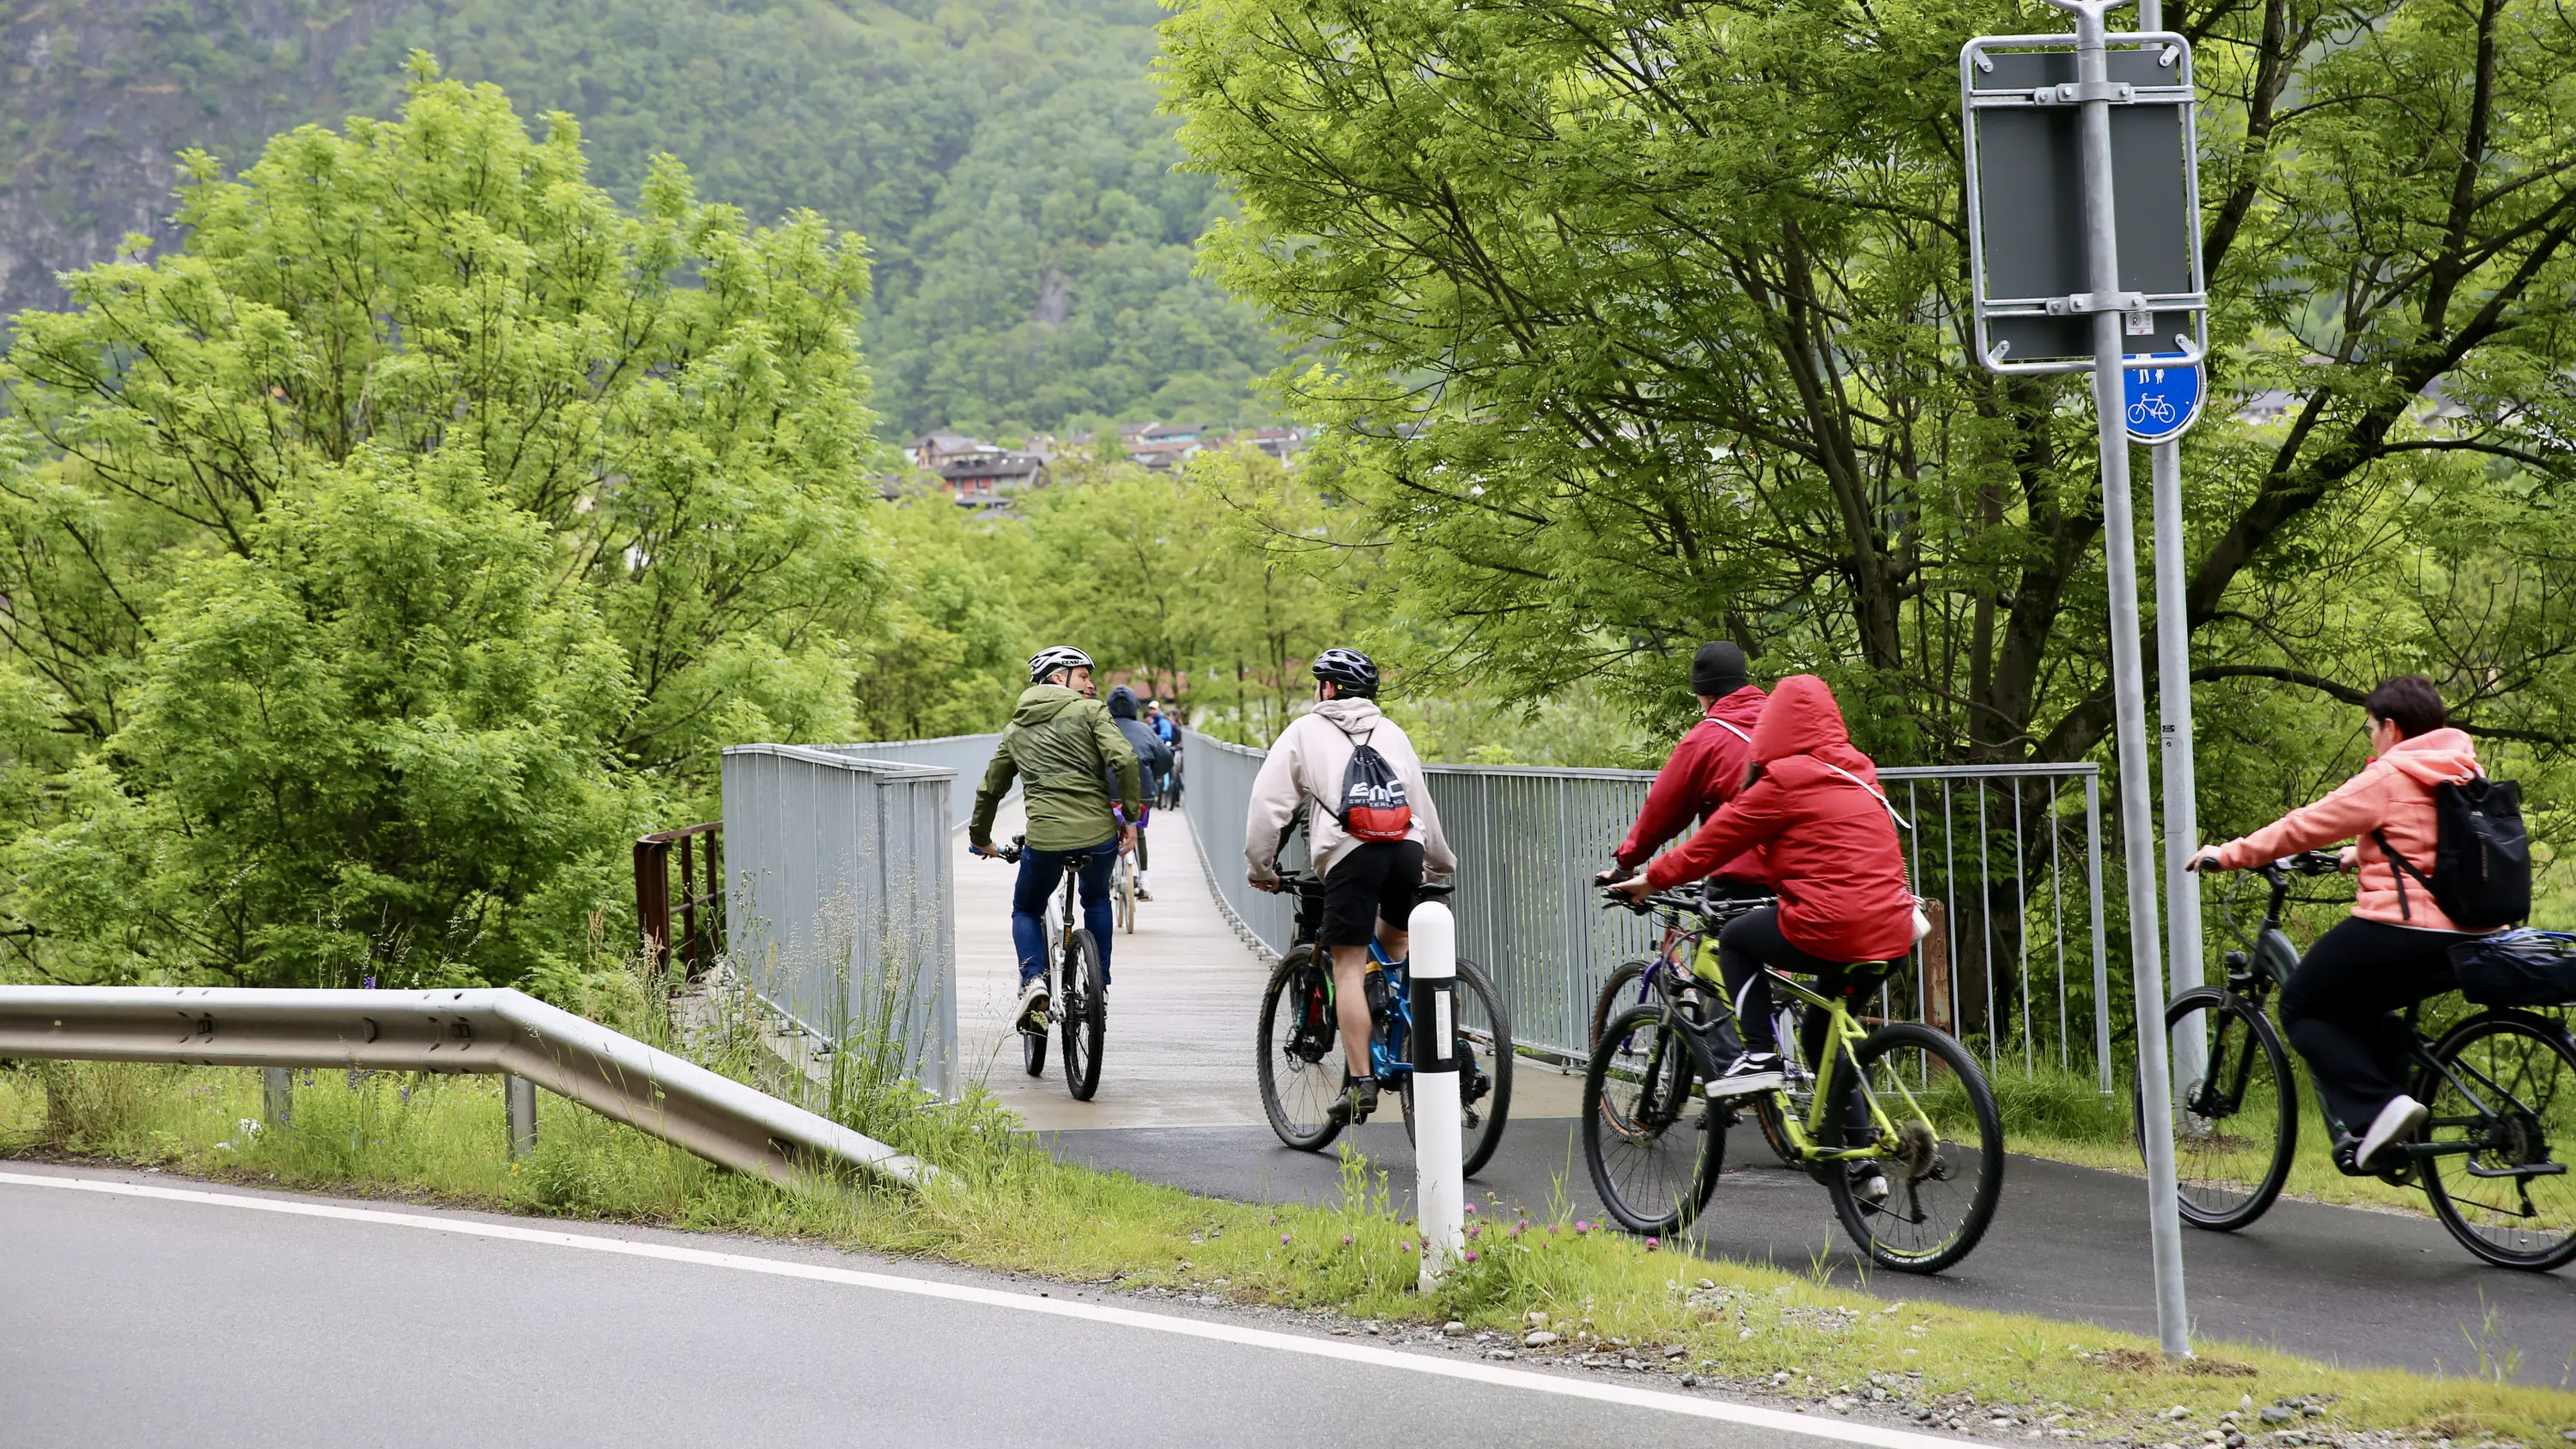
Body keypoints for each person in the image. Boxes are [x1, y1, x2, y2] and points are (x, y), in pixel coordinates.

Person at [1611, 675, 1915, 1199]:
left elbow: (1712, 842)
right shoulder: (1860, 771)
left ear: (1776, 726)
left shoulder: (1783, 781)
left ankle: (1759, 1058)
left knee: (1738, 940)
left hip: (1829, 922)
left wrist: (1649, 876)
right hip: (1894, 927)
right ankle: (1866, 1169)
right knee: (1824, 1035)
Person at [2187, 676, 2499, 1171]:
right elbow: (2435, 841)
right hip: (2471, 935)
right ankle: (2395, 1135)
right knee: (2359, 1012)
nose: (2371, 738)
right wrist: (2361, 852)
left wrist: (2230, 854)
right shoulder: (2460, 770)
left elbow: (2304, 825)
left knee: (2303, 1005)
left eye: (2371, 728)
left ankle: (2381, 1109)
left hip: (2406, 930)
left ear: (2392, 729)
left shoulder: (2391, 774)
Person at [1245, 647, 1456, 1125]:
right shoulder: (1393, 733)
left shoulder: (1304, 731)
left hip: (1349, 852)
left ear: (1328, 689)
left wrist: (1261, 868)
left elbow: (1268, 804)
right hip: (1407, 849)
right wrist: (1440, 865)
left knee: (1348, 962)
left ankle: (1361, 1081)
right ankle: (1393, 1011)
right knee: (1397, 939)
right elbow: (1420, 803)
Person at [969, 646, 1144, 1031]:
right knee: (1096, 898)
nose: (1091, 683)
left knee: (1026, 908)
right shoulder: (1092, 712)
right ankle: (1100, 988)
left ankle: (1033, 981)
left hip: (1045, 839)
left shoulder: (1016, 728)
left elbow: (990, 790)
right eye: (1083, 675)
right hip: (1098, 836)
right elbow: (1126, 761)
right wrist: (1130, 817)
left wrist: (982, 838)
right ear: (1057, 678)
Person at [1601, 640, 1771, 894]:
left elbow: (1663, 810)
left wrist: (1625, 864)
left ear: (1706, 695)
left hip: (1743, 884)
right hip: (1805, 877)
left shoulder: (1707, 738)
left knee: (1720, 933)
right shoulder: (1785, 724)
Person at [1105, 685, 1173, 900]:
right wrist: (1150, 773)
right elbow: (1166, 761)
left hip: (1106, 796)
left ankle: (1105, 876)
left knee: (1105, 832)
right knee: (1139, 831)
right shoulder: (1145, 730)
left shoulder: (1102, 728)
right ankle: (1144, 881)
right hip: (1142, 795)